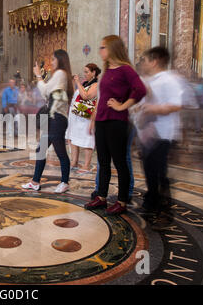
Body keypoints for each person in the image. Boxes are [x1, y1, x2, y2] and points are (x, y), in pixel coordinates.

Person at [84, 35, 146, 215]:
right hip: (102, 121)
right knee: (103, 162)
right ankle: (101, 197)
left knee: (119, 162)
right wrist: (94, 117)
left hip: (117, 122)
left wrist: (122, 105)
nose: (100, 50)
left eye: (103, 47)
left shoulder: (125, 69)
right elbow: (102, 98)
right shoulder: (107, 70)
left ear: (112, 48)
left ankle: (122, 201)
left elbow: (141, 90)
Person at [22, 49, 74, 194]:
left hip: (57, 118)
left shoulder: (60, 74)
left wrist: (38, 75)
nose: (51, 62)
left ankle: (64, 182)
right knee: (41, 149)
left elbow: (45, 90)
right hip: (54, 118)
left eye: (53, 59)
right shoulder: (61, 75)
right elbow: (49, 94)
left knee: (60, 151)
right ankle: (35, 182)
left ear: (60, 60)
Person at [138, 46, 184, 213]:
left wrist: (152, 109)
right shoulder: (152, 80)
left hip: (163, 133)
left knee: (158, 170)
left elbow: (176, 105)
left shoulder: (169, 80)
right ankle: (153, 197)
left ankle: (162, 203)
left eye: (146, 60)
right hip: (150, 132)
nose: (143, 63)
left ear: (154, 61)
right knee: (150, 168)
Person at [66, 64, 100, 173]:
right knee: (73, 138)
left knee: (87, 139)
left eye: (87, 72)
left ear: (94, 72)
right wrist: (73, 82)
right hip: (76, 114)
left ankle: (87, 165)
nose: (84, 74)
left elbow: (86, 96)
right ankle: (74, 162)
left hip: (86, 115)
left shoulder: (96, 84)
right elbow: (75, 95)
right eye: (84, 72)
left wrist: (77, 82)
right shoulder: (85, 84)